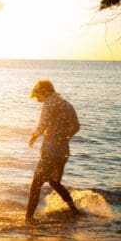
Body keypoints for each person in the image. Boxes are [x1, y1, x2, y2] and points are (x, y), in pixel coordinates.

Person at [26, 80, 80, 223]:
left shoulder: (49, 102)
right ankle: (75, 211)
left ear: (43, 91)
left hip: (50, 151)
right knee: (54, 182)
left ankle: (28, 218)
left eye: (37, 96)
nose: (37, 100)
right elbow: (76, 126)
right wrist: (64, 137)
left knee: (36, 184)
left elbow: (42, 124)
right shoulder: (66, 104)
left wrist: (33, 137)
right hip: (63, 152)